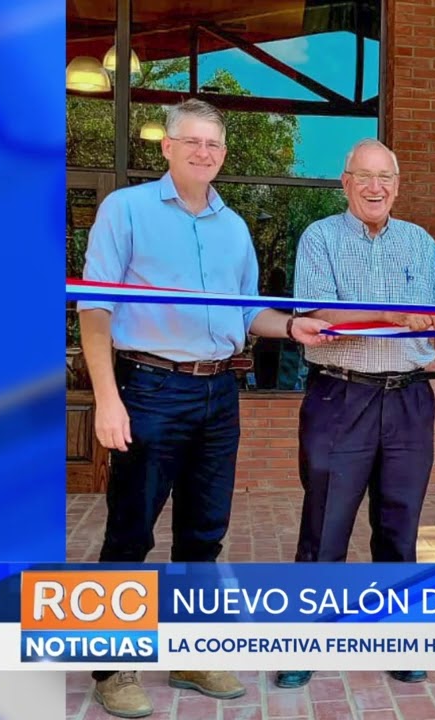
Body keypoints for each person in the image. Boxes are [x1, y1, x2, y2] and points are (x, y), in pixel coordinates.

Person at [77, 98, 333, 719]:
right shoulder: (126, 210)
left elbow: (249, 313)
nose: (203, 153)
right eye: (191, 142)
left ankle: (190, 654)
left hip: (220, 393)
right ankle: (113, 670)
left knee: (204, 533)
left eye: (213, 145)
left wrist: (294, 328)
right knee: (130, 531)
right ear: (166, 147)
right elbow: (93, 309)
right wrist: (107, 400)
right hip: (149, 388)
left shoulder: (233, 227)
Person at [275, 139, 435, 690]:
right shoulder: (321, 238)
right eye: (364, 176)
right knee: (325, 525)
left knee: (400, 525)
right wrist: (390, 313)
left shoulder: (418, 243)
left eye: (385, 178)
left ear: (398, 185)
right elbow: (317, 312)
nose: (375, 187)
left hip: (409, 397)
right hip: (342, 397)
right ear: (345, 182)